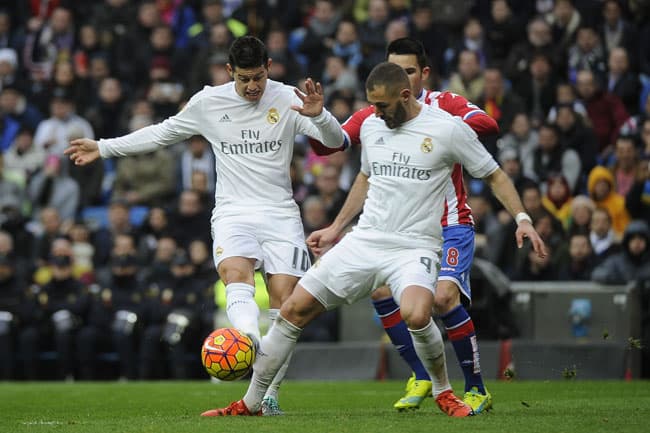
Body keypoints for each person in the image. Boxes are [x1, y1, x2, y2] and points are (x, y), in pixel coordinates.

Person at [203, 62, 546, 417]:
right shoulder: (371, 125)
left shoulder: (447, 130)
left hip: (414, 246)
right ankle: (251, 403)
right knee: (292, 309)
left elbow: (494, 176)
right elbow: (366, 177)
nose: (376, 113)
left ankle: (444, 391)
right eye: (372, 105)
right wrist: (337, 228)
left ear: (405, 95)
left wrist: (523, 219)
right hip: (365, 241)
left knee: (416, 314)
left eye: (382, 106)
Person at [65, 36, 345, 413]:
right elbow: (162, 133)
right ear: (230, 72)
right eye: (244, 78)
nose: (252, 86)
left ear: (270, 67)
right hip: (232, 212)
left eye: (258, 77)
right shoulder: (208, 102)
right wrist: (105, 147)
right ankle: (245, 344)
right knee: (235, 276)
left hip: (280, 214)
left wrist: (320, 116)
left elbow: (339, 140)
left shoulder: (288, 97)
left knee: (286, 307)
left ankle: (267, 396)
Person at [313, 37, 499, 413]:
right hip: (399, 229)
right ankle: (421, 375)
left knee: (443, 299)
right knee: (381, 291)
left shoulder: (444, 104)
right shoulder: (376, 112)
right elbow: (328, 146)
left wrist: (439, 127)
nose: (403, 78)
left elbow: (487, 124)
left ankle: (476, 387)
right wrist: (316, 117)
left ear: (423, 74)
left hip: (449, 222)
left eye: (409, 71)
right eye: (396, 70)